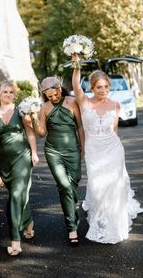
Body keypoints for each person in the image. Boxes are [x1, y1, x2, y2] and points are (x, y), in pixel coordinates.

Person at [71, 54, 143, 244]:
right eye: (99, 87)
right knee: (97, 186)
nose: (103, 90)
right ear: (92, 88)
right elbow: (75, 85)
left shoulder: (116, 104)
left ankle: (116, 223)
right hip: (93, 149)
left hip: (113, 149)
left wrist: (118, 149)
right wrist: (76, 65)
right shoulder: (84, 101)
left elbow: (115, 130)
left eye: (106, 86)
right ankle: (101, 219)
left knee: (114, 185)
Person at [0, 82, 39, 256]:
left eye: (11, 92)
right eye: (5, 91)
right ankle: (28, 222)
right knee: (19, 195)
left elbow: (30, 132)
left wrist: (34, 152)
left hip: (22, 157)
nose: (8, 94)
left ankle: (15, 241)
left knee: (15, 195)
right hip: (4, 161)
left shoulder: (21, 110)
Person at [30, 77, 84, 246]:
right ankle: (72, 227)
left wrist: (83, 147)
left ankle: (71, 212)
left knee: (73, 181)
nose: (53, 98)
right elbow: (41, 133)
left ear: (60, 88)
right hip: (53, 151)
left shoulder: (72, 102)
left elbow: (80, 126)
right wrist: (32, 118)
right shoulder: (44, 108)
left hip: (73, 149)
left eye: (55, 94)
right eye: (49, 96)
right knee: (65, 186)